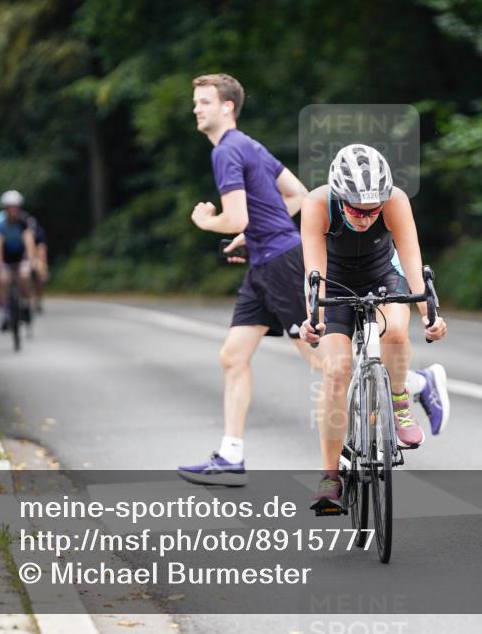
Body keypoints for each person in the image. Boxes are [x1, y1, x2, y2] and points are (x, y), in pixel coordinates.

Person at [178, 74, 449, 486]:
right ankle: (232, 453)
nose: (196, 108)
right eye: (195, 102)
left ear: (227, 106)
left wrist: (206, 221)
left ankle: (408, 383)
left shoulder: (227, 150)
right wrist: (252, 237)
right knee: (234, 355)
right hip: (273, 261)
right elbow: (296, 195)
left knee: (328, 362)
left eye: (203, 101)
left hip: (282, 261)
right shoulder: (251, 146)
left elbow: (238, 215)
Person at [299, 144, 449, 511]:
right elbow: (314, 274)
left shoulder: (395, 200)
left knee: (396, 330)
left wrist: (430, 313)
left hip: (384, 275)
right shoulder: (317, 204)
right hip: (334, 282)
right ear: (339, 196)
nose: (365, 217)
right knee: (336, 371)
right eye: (355, 209)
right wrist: (314, 320)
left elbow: (412, 260)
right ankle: (329, 477)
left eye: (372, 210)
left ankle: (399, 402)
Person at [0, 190, 39, 331]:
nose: (13, 211)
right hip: (5, 254)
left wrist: (31, 259)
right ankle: (5, 313)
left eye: (15, 207)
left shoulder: (25, 220)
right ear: (5, 208)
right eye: (9, 207)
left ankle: (25, 305)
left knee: (24, 276)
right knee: (3, 279)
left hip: (20, 253)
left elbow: (29, 240)